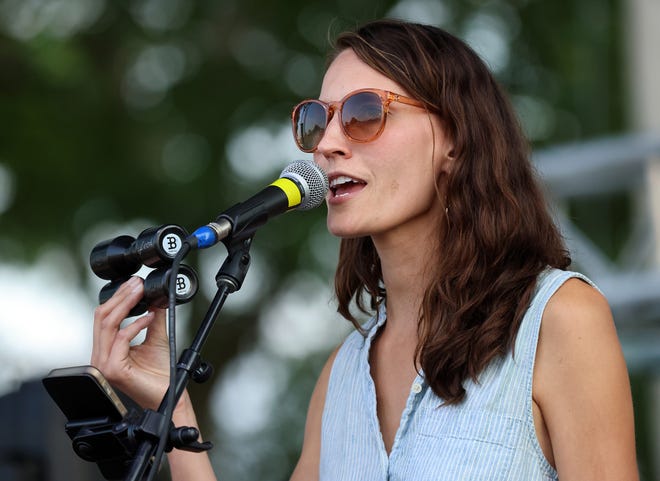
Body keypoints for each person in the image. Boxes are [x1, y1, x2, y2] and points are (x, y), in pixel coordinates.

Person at [91, 19, 639, 480]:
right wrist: (172, 402)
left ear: (455, 140)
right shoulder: (344, 374)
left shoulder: (558, 321)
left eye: (364, 112)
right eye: (316, 120)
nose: (328, 143)